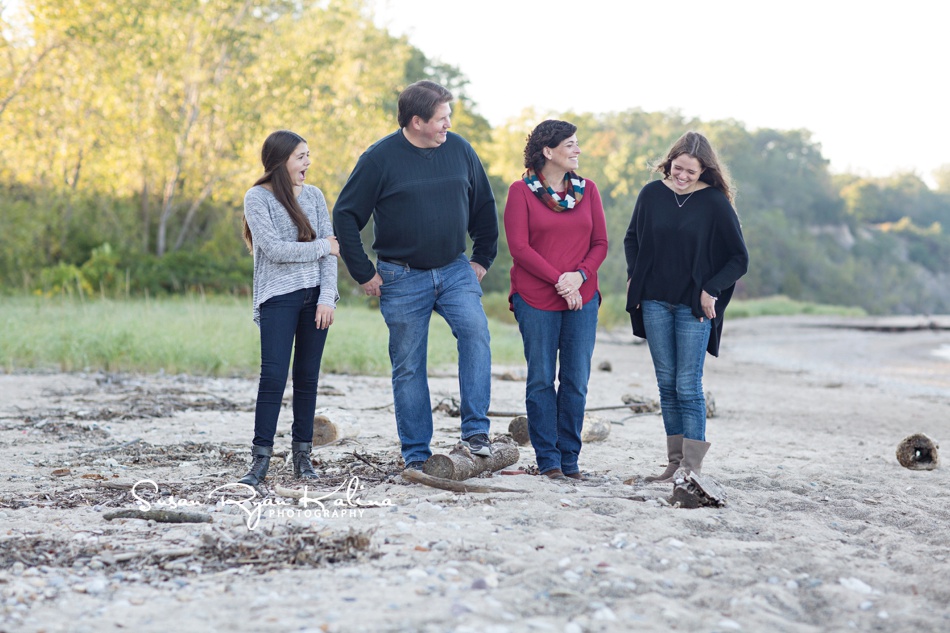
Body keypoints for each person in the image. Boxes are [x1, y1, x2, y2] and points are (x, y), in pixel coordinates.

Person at [332, 80, 498, 471]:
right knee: (408, 364)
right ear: (417, 121)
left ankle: (475, 431)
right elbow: (345, 215)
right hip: (401, 277)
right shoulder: (379, 159)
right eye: (442, 119)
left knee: (476, 332)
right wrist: (363, 272)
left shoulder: (459, 149)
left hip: (455, 270)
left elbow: (484, 206)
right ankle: (417, 454)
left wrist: (482, 258)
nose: (448, 125)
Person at [624, 131, 748, 483]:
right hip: (654, 301)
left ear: (703, 171)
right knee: (666, 384)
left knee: (687, 385)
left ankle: (692, 468)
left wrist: (711, 289)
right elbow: (631, 238)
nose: (681, 176)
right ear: (669, 162)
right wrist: (634, 275)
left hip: (693, 307)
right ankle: (674, 462)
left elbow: (738, 259)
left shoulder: (714, 203)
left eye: (690, 172)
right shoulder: (651, 194)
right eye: (677, 168)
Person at [504, 120, 608, 481]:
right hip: (536, 297)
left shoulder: (587, 190)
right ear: (548, 152)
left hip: (583, 297)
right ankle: (548, 459)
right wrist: (559, 281)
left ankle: (570, 458)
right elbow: (519, 248)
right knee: (541, 379)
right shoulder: (521, 192)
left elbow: (600, 244)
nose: (577, 150)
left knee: (576, 379)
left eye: (578, 144)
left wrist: (577, 277)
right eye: (570, 145)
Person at [238, 130, 339, 486]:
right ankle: (260, 462)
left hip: (316, 300)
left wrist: (328, 296)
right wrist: (323, 247)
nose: (308, 163)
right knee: (273, 378)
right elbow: (275, 250)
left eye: (308, 155)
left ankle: (303, 458)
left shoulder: (314, 196)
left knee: (307, 379)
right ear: (280, 161)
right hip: (277, 298)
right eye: (301, 157)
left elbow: (333, 253)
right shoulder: (257, 198)